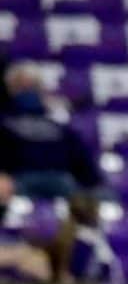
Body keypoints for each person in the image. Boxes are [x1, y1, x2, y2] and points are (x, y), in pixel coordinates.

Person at [0, 63, 102, 199]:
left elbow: (86, 170)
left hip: (61, 183)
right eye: (22, 87)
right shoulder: (4, 123)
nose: (28, 92)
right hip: (17, 184)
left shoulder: (60, 126)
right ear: (11, 89)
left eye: (32, 86)